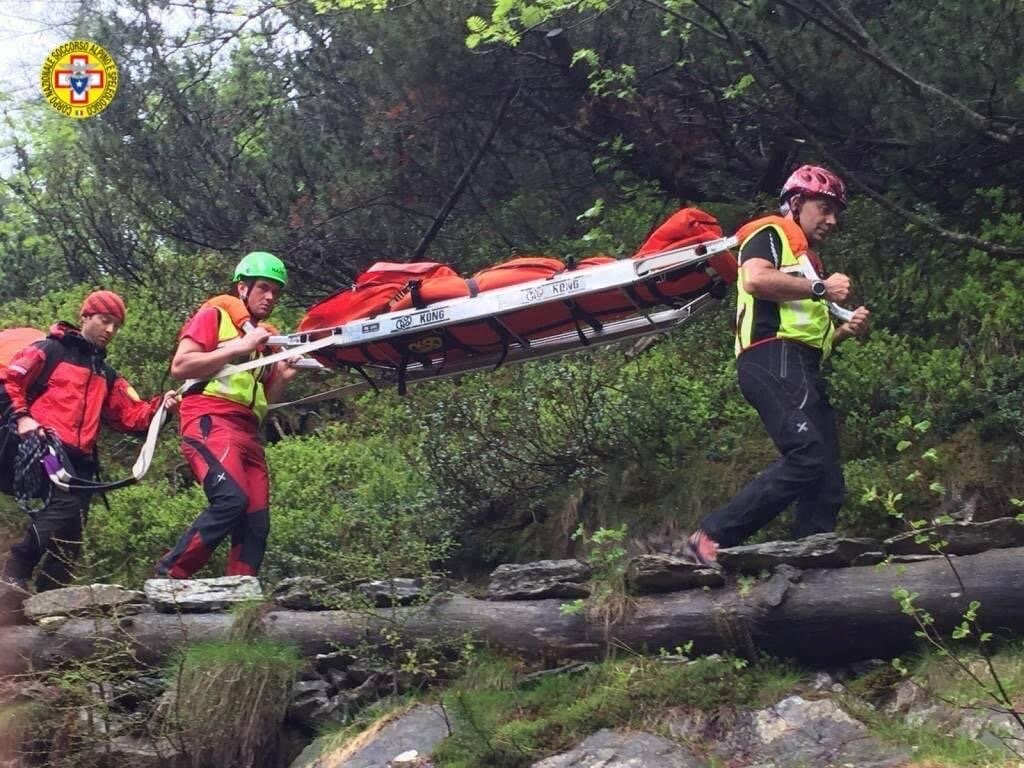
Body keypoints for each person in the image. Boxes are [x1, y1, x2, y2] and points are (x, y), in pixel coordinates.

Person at [685, 165, 871, 566]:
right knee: (806, 455)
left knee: (826, 478)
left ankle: (812, 556)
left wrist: (842, 332)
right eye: (825, 208)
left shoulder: (806, 261)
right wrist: (821, 287)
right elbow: (753, 280)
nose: (832, 220)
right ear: (798, 203)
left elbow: (809, 340)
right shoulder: (769, 233)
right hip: (770, 357)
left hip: (799, 364)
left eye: (836, 212)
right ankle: (711, 537)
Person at [0, 291, 179, 592]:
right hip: (43, 445)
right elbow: (10, 380)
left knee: (73, 531)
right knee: (65, 505)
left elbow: (130, 416)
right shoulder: (49, 350)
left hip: (80, 459)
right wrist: (23, 418)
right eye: (104, 321)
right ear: (85, 317)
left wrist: (162, 406)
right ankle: (14, 571)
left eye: (116, 326)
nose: (110, 331)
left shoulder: (106, 374)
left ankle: (49, 596)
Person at [155, 251, 297, 579]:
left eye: (276, 290)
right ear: (242, 289)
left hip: (248, 431)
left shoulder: (264, 340)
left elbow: (265, 400)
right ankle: (169, 575)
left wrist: (283, 380)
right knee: (231, 499)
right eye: (263, 287)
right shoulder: (215, 317)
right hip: (209, 420)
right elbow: (181, 366)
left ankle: (241, 593)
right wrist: (237, 346)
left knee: (256, 519)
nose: (270, 296)